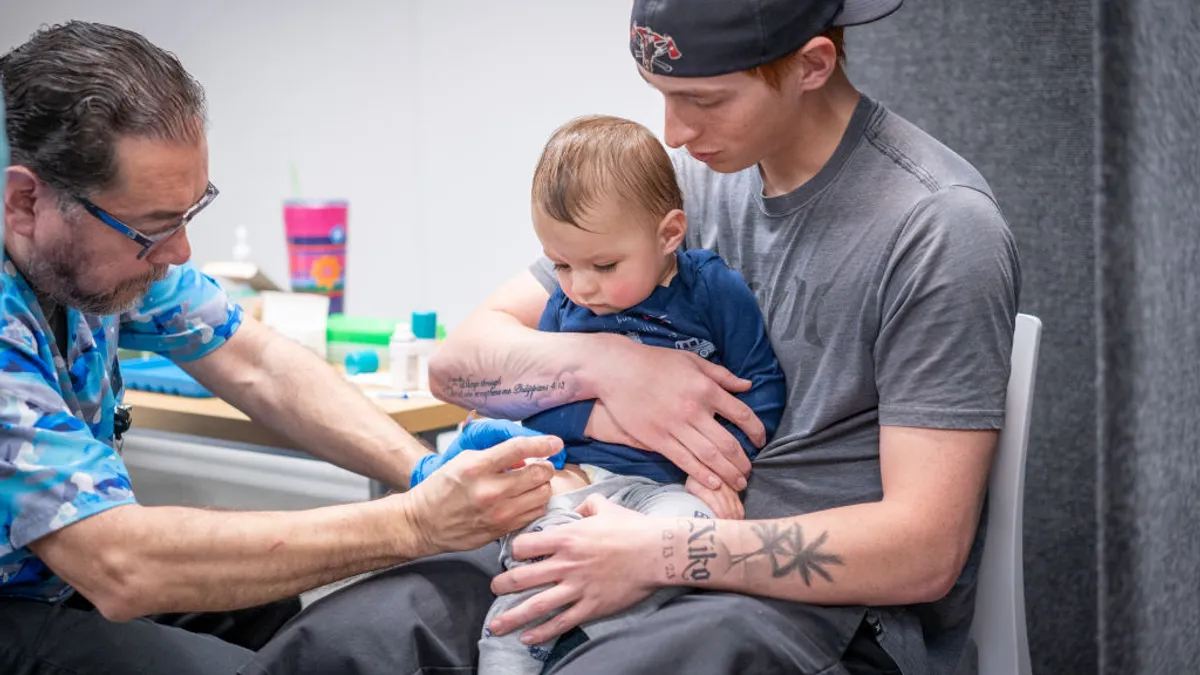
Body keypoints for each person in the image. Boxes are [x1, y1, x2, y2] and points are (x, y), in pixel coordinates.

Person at [247, 0, 1021, 674]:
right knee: (347, 638)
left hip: (814, 612)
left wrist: (656, 554)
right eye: (662, 97)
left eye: (705, 100)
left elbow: (926, 549)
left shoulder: (938, 227)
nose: (675, 133)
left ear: (814, 64)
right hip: (603, 522)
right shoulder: (687, 181)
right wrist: (608, 364)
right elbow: (460, 363)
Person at [0, 21, 561, 675]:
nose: (180, 252)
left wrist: (421, 471)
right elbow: (120, 565)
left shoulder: (100, 254)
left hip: (55, 582)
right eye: (154, 228)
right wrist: (414, 523)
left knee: (267, 612)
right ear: (25, 201)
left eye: (190, 214)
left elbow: (256, 362)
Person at [406, 114, 787, 674]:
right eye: (561, 264)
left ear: (668, 234)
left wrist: (717, 470)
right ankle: (509, 656)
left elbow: (759, 389)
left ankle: (605, 642)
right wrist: (589, 421)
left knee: (690, 544)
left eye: (604, 266)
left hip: (670, 487)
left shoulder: (712, 291)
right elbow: (542, 408)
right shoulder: (566, 305)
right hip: (580, 482)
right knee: (537, 566)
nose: (581, 286)